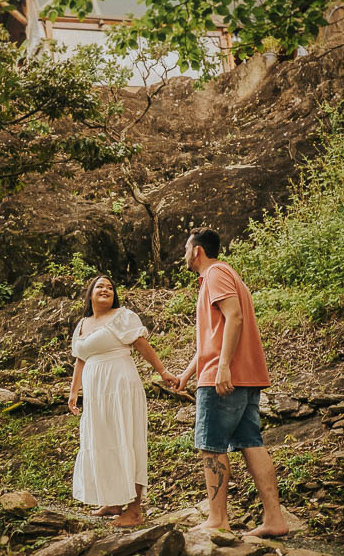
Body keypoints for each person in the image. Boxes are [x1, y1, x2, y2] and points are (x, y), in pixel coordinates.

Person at [177, 227, 289, 537]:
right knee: (251, 443)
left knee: (210, 446)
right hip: (243, 376)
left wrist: (223, 367)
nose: (184, 255)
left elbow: (234, 317)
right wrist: (187, 374)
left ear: (197, 251)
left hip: (224, 378)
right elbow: (212, 338)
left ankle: (217, 519)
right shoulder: (226, 276)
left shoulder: (216, 274)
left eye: (186, 249)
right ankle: (275, 520)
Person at [68, 274, 178, 527]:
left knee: (126, 438)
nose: (105, 289)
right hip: (96, 393)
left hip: (120, 385)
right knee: (102, 440)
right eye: (100, 286)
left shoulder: (122, 316)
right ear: (90, 293)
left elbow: (141, 344)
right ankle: (113, 500)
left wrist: (162, 372)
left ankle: (135, 509)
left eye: (110, 286)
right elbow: (80, 359)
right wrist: (74, 391)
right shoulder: (83, 324)